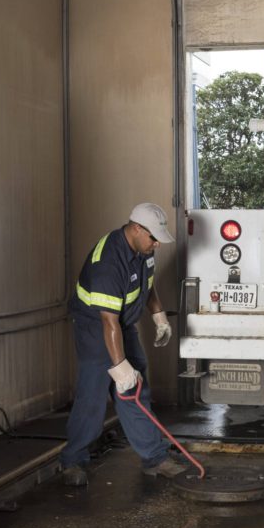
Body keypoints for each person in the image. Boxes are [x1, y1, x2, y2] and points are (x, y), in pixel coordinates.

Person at [60, 202, 184, 486]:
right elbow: (107, 322)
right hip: (95, 325)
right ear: (137, 229)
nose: (157, 245)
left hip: (122, 324)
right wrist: (118, 366)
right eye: (153, 237)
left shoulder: (143, 250)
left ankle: (154, 457)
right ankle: (73, 460)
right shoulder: (108, 262)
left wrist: (158, 315)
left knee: (136, 388)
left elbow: (146, 285)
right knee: (94, 391)